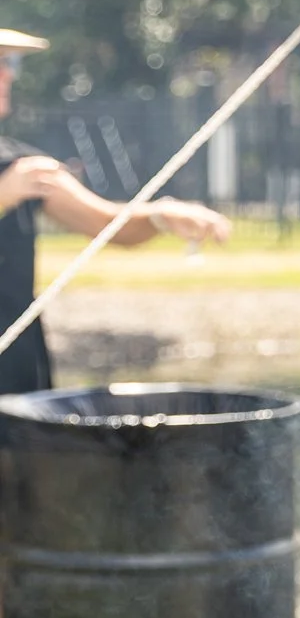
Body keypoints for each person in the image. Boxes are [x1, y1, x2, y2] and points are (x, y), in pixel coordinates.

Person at [0, 28, 231, 394]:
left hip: (15, 373)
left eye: (12, 62)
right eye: (1, 62)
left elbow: (110, 225)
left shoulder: (24, 167)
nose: (9, 74)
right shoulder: (14, 179)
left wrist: (161, 216)